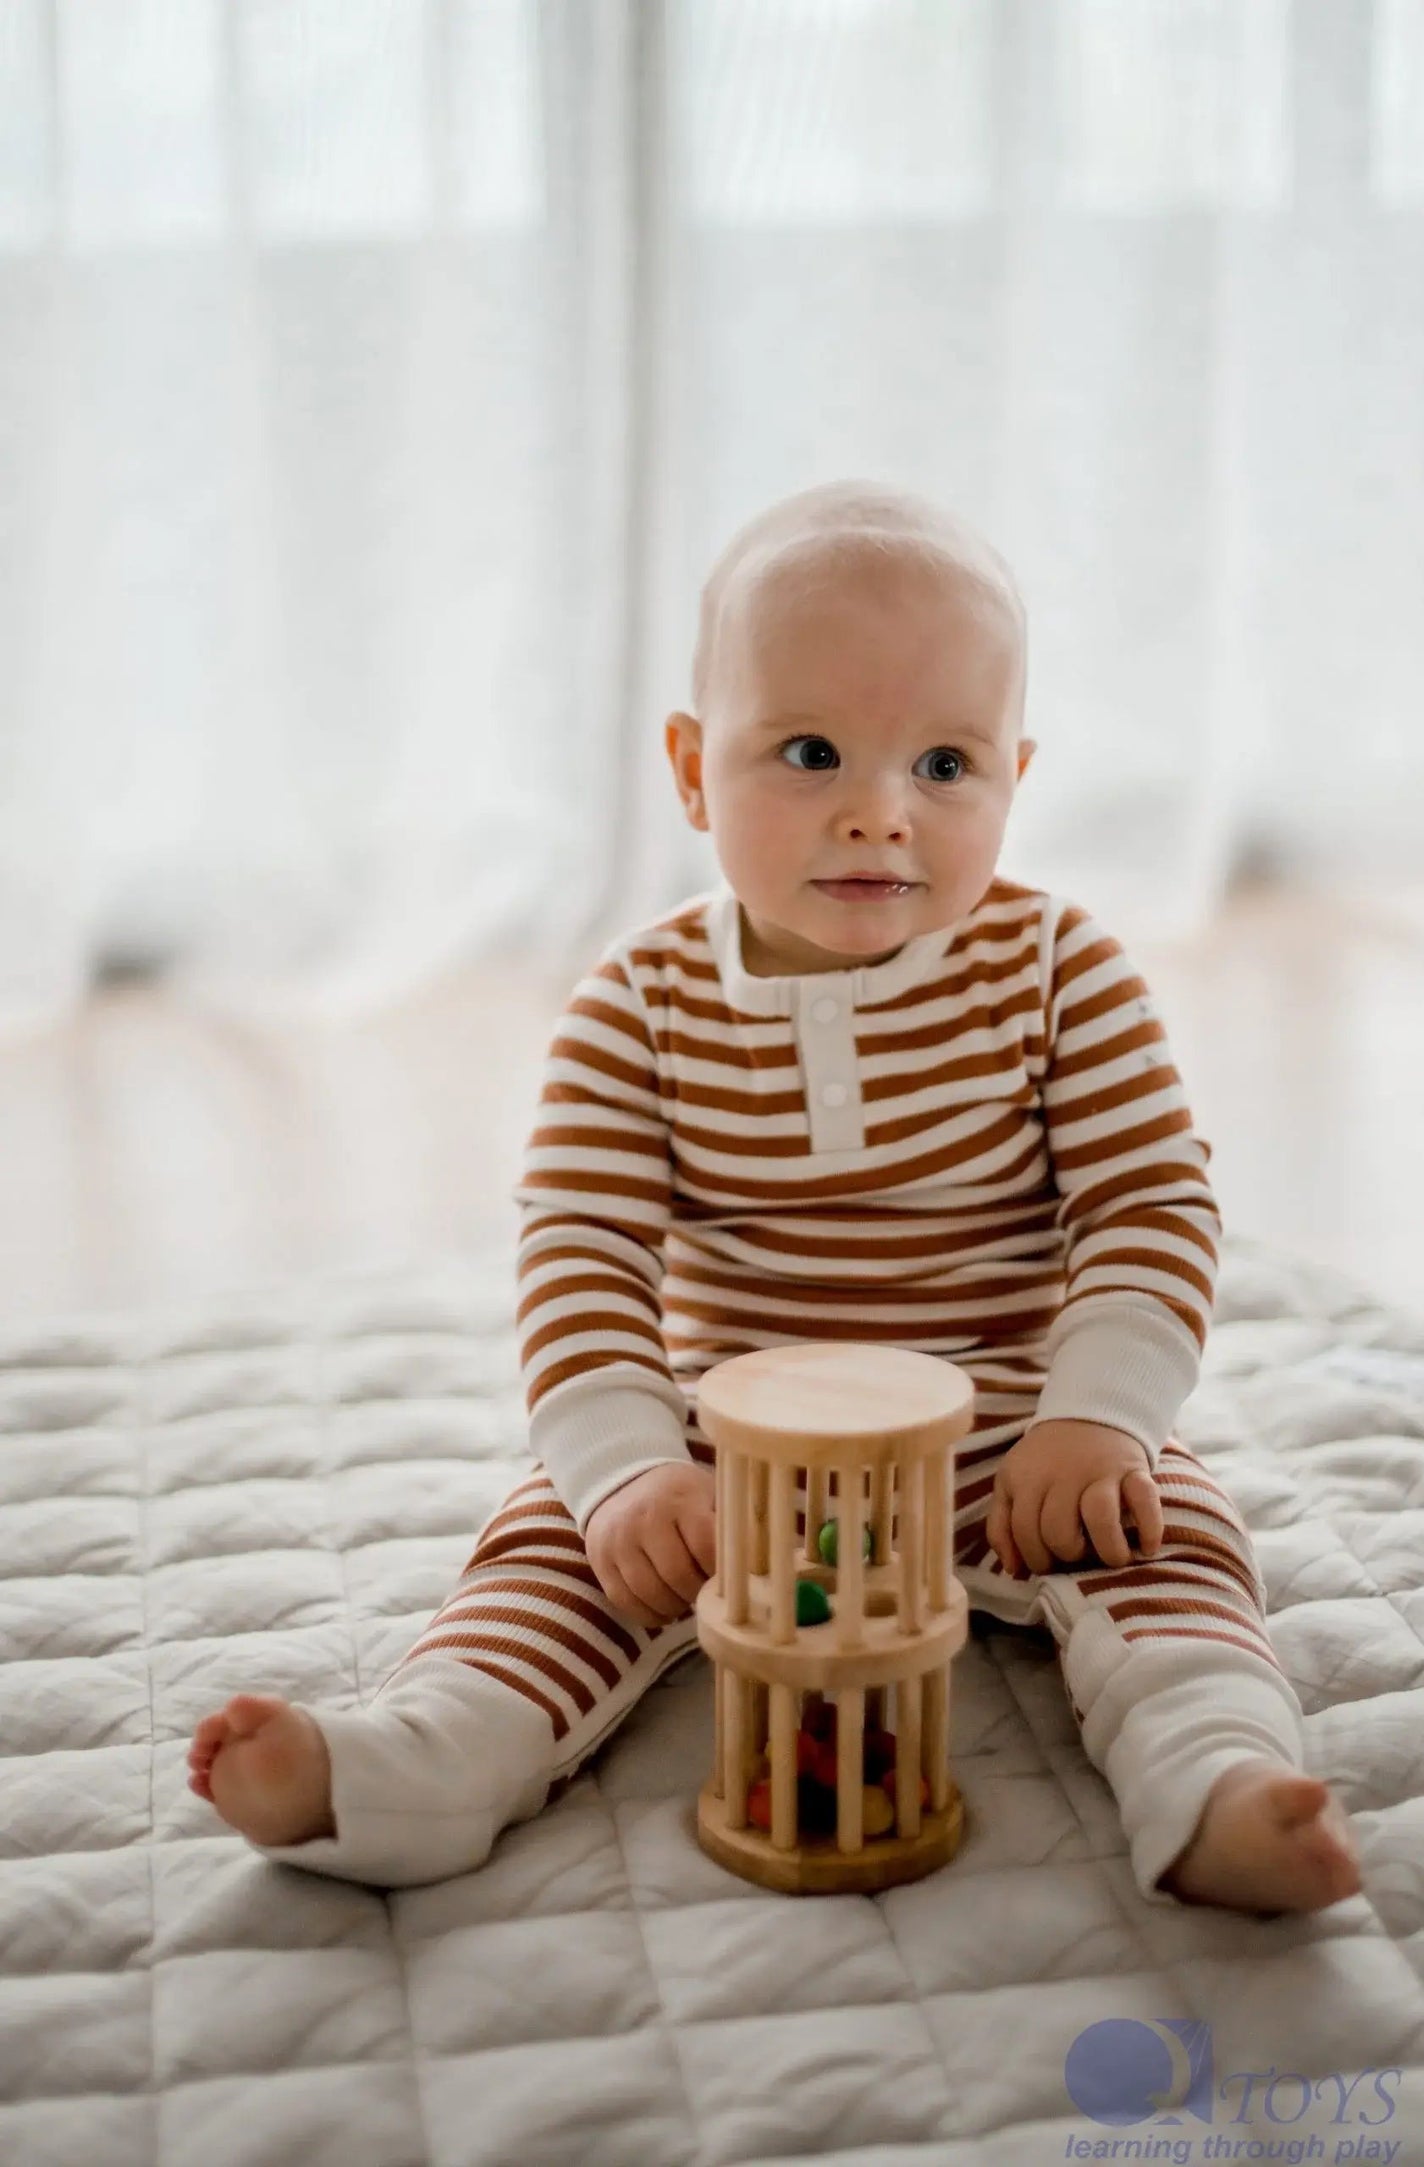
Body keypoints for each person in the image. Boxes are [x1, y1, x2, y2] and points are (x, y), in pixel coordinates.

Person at [189, 479, 1362, 1915]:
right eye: (810, 754)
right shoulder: (638, 1002)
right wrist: (627, 1469)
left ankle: (1220, 1782)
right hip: (729, 1434)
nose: (879, 816)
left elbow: (1148, 1206)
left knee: (1168, 1540)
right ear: (691, 770)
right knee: (551, 1556)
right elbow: (583, 1248)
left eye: (944, 765)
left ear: (1014, 775)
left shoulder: (1062, 970)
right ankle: (403, 1766)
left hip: (1006, 1413)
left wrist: (1098, 1415)